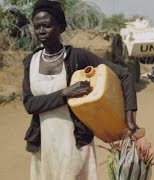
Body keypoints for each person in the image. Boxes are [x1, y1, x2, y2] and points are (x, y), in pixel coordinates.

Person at [22, 1, 143, 179]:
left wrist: (129, 118)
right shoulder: (30, 62)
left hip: (75, 141)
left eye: (47, 26)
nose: (41, 31)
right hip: (44, 143)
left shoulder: (78, 57)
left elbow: (124, 75)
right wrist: (65, 93)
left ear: (61, 27)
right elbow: (30, 104)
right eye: (37, 26)